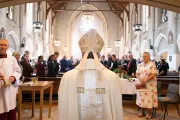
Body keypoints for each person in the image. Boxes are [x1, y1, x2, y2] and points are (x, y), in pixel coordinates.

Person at [58, 29, 123, 120]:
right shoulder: (112, 77)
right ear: (99, 54)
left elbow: (63, 106)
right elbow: (116, 106)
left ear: (82, 53)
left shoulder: (67, 77)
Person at [0, 39, 21, 120]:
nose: (3, 47)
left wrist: (13, 77)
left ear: (7, 47)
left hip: (8, 89)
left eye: (5, 45)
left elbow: (17, 70)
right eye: (1, 45)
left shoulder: (12, 58)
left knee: (10, 108)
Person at [136, 52, 158, 119]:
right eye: (143, 56)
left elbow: (154, 74)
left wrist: (145, 80)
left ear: (149, 57)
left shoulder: (152, 64)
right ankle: (141, 111)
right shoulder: (140, 65)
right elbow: (137, 73)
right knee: (141, 98)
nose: (144, 58)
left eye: (145, 56)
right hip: (142, 84)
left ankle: (149, 113)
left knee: (149, 98)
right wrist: (140, 79)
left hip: (150, 85)